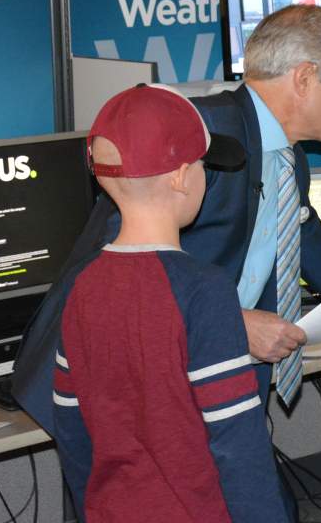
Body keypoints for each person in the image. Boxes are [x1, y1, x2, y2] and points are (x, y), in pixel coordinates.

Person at [11, 5, 321, 509]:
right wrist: (231, 323)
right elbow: (125, 268)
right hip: (127, 404)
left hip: (198, 389)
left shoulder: (288, 158)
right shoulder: (202, 138)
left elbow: (318, 255)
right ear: (305, 78)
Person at [52, 83, 288, 522]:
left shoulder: (82, 287)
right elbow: (238, 444)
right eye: (202, 164)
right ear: (181, 176)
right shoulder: (203, 289)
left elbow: (71, 426)